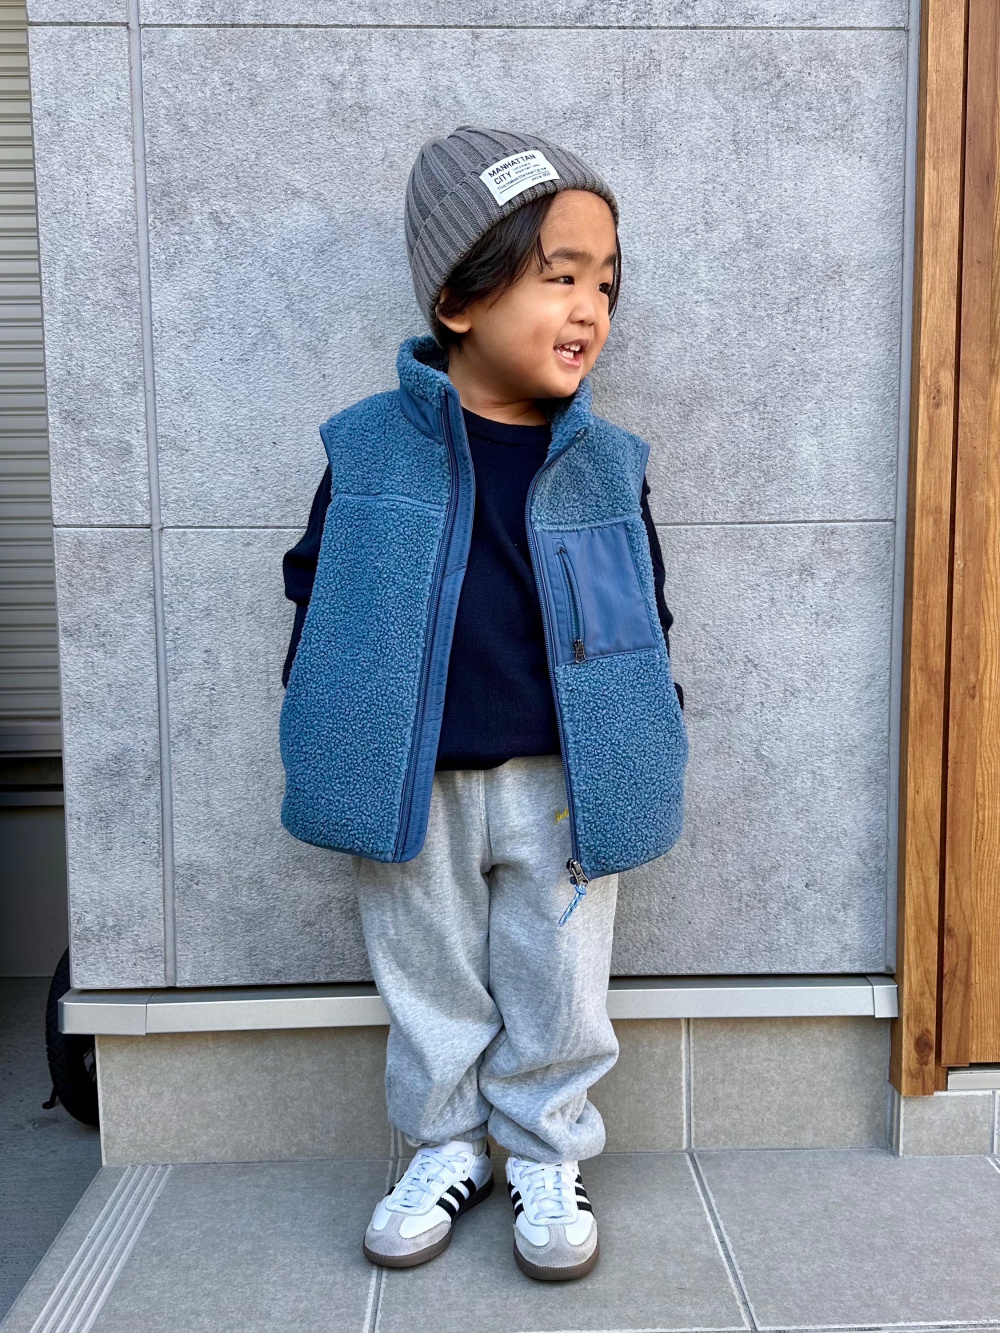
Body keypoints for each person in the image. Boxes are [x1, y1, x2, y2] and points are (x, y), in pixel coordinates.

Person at [278, 127, 688, 1282]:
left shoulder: (603, 463)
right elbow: (320, 589)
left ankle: (547, 1152)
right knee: (430, 982)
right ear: (459, 299)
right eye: (559, 275)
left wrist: (646, 734)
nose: (588, 307)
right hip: (411, 780)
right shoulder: (371, 449)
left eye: (604, 284)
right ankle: (444, 1144)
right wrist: (322, 722)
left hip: (565, 783)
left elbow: (635, 620)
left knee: (559, 987)